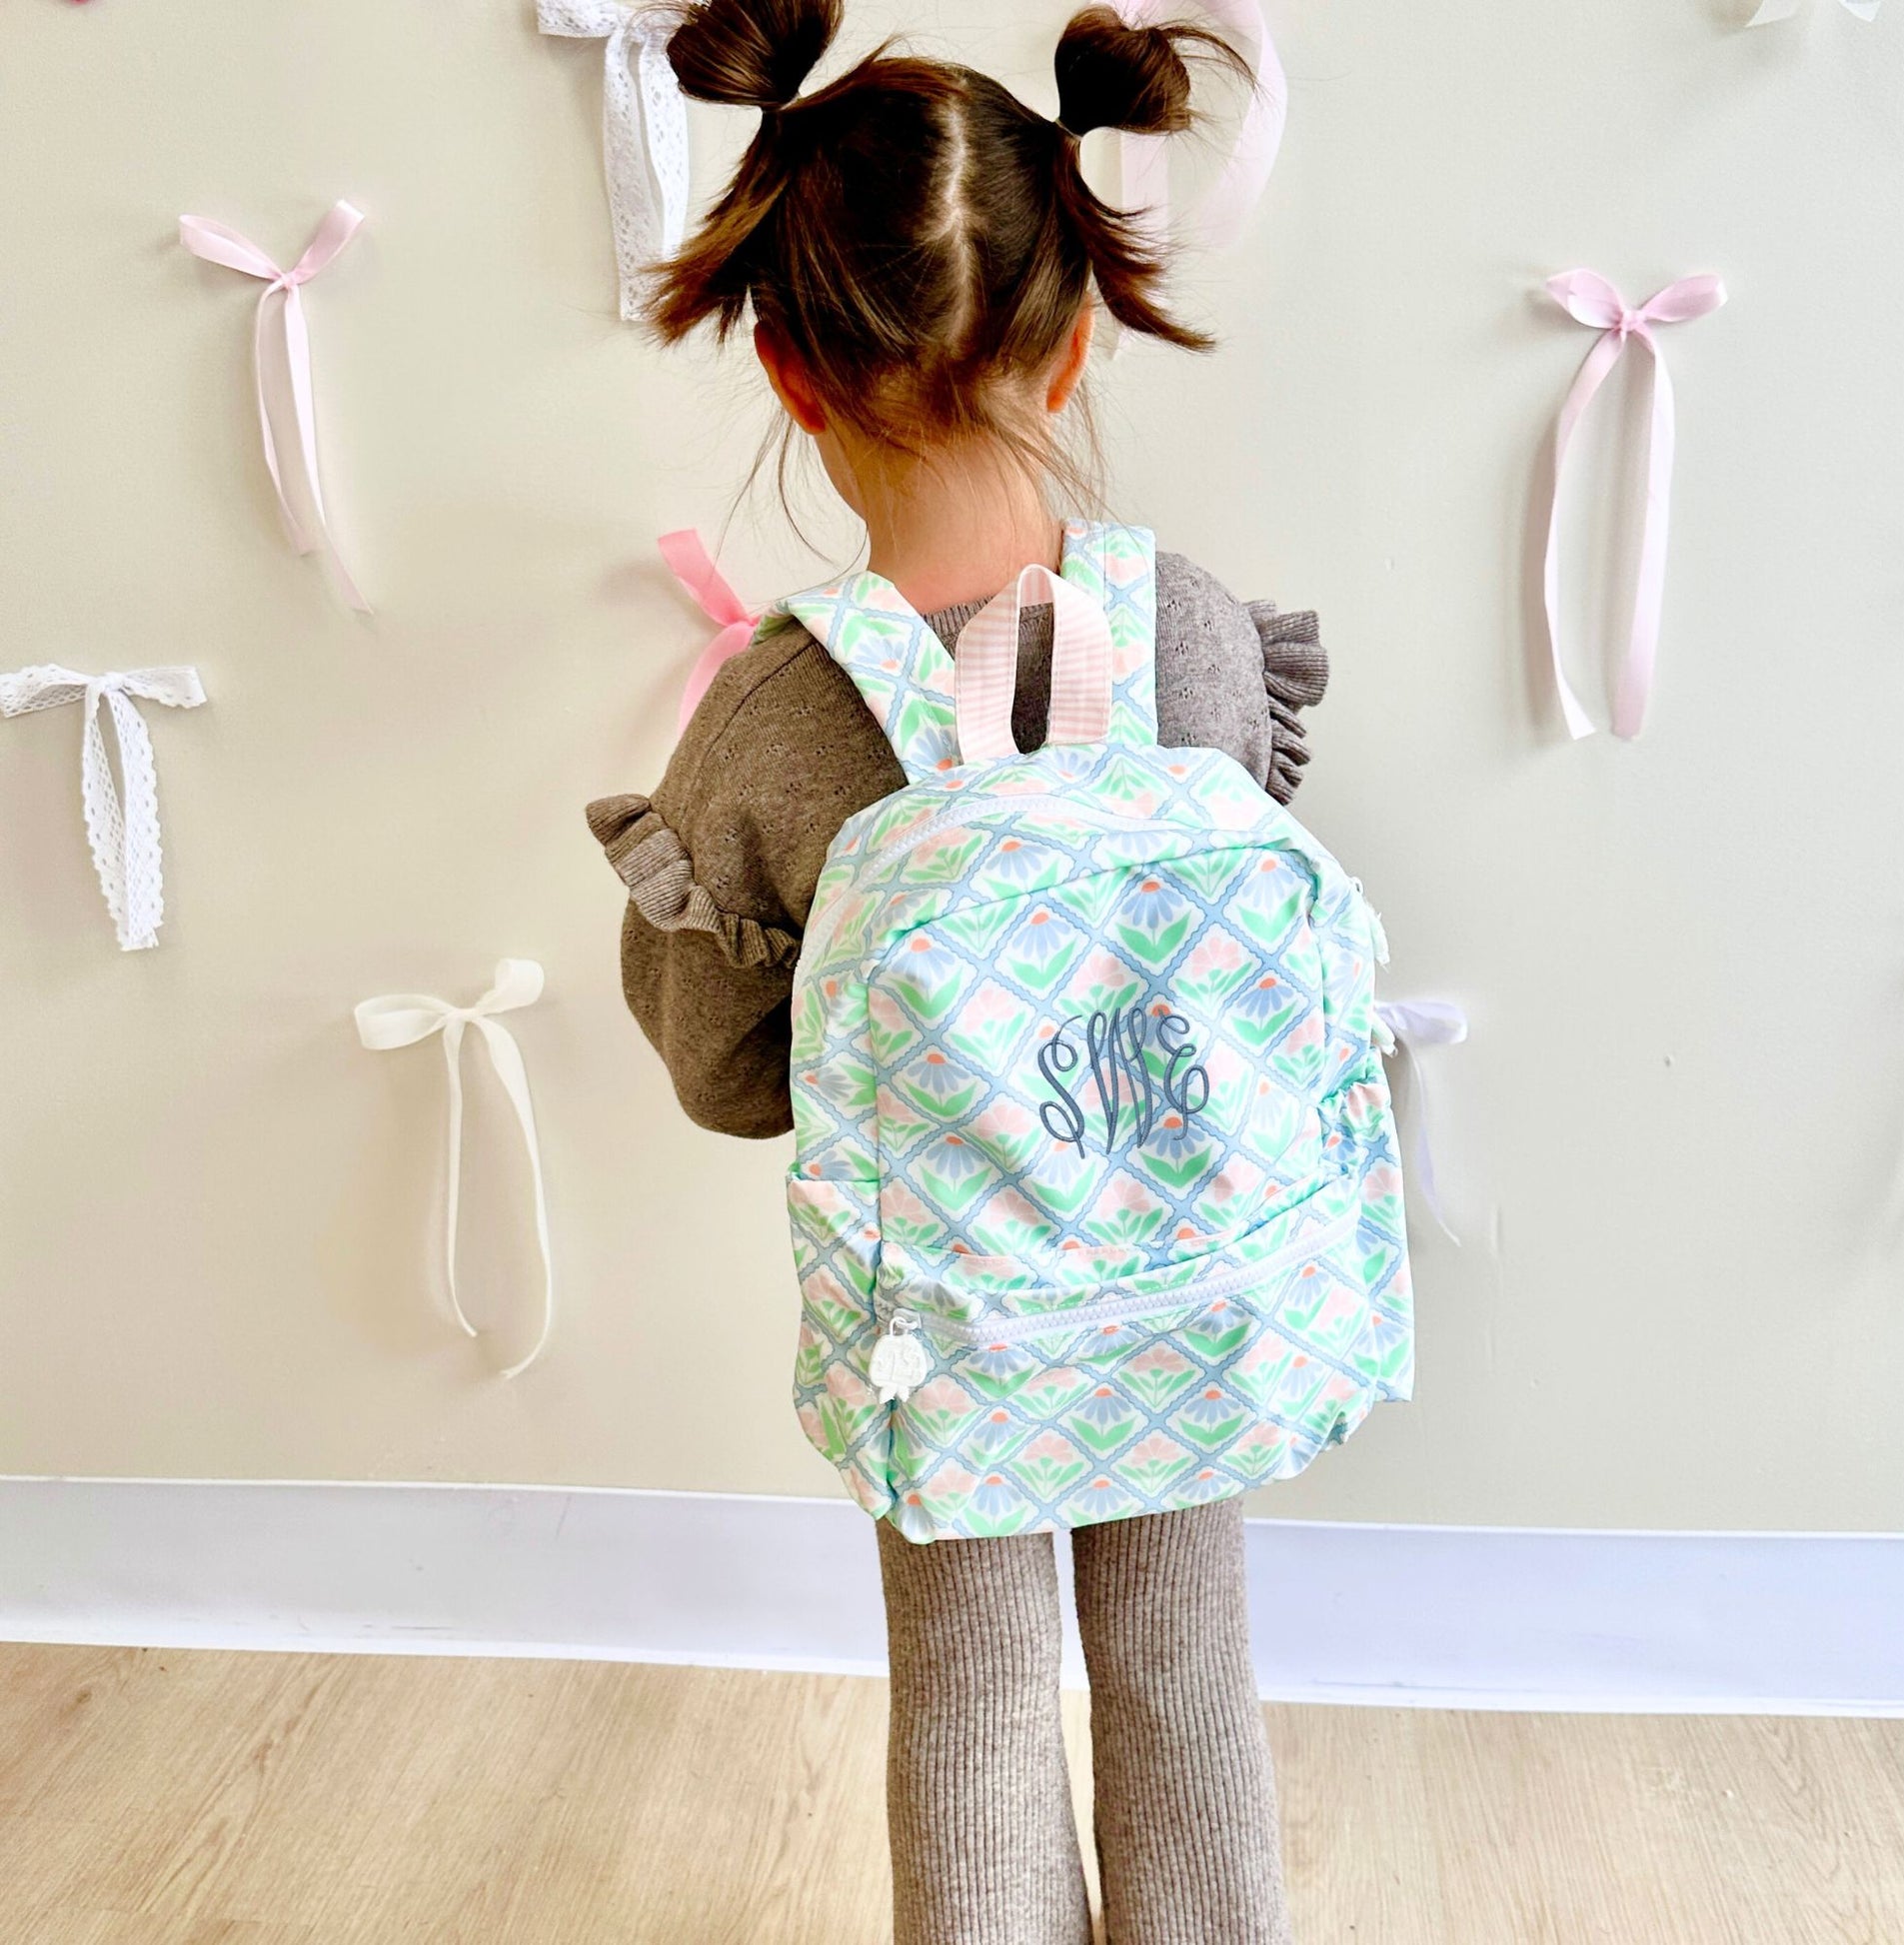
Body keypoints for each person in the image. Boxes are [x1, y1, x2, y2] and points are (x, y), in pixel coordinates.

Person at [588, 3, 1333, 1937]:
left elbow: (722, 1071)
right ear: (1074, 335)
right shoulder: (1196, 638)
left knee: (976, 1688)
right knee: (1182, 1661)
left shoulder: (777, 719)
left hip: (947, 1315)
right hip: (1182, 1269)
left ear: (786, 365)